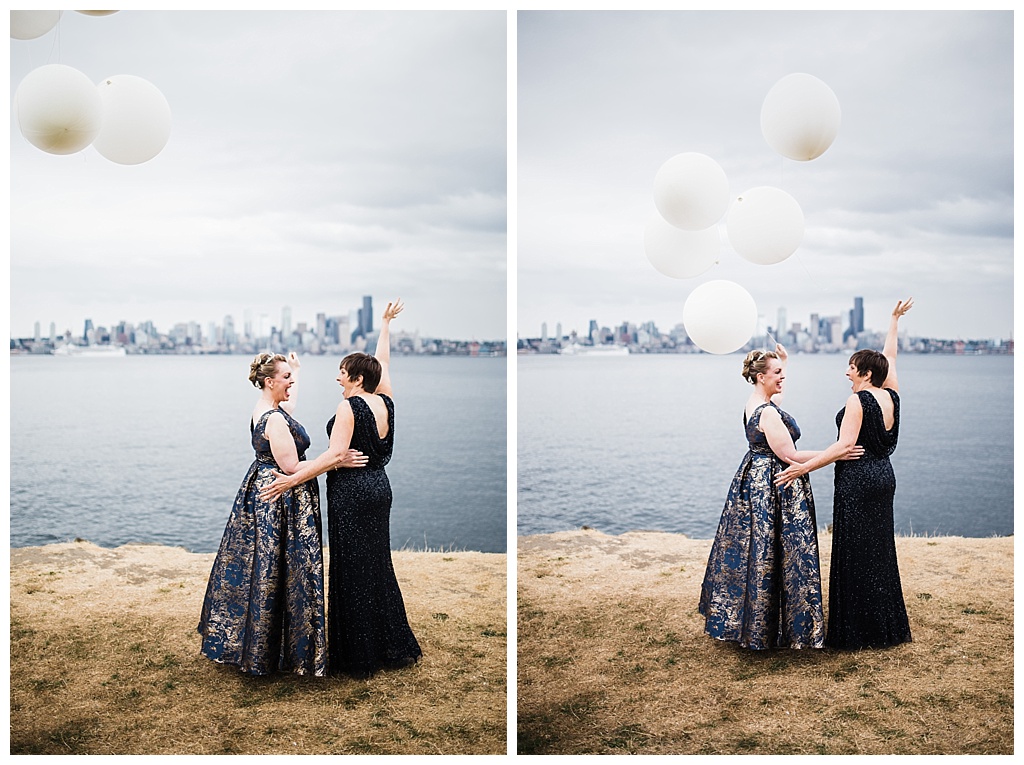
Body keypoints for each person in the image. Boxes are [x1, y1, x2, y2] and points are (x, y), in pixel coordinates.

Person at [260, 300, 422, 677]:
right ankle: (389, 644)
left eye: (343, 372)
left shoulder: (349, 407)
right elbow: (383, 364)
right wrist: (384, 325)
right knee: (378, 565)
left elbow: (334, 456)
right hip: (380, 489)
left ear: (356, 379)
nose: (338, 378)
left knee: (351, 570)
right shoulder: (386, 401)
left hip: (351, 493)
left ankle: (359, 655)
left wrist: (292, 480)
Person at [198, 352, 367, 676]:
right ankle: (278, 654)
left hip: (262, 493)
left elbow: (288, 409)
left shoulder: (266, 411)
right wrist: (336, 459)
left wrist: (297, 374)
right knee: (286, 569)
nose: (290, 382)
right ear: (269, 381)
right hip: (281, 499)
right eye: (285, 377)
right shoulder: (273, 420)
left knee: (266, 569)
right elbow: (291, 467)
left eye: (291, 377)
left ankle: (264, 648)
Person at [699, 344, 862, 650]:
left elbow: (779, 398)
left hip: (754, 479)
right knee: (782, 551)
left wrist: (784, 361)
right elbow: (790, 454)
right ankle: (778, 629)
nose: (782, 378)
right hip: (776, 483)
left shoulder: (757, 402)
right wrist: (839, 452)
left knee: (760, 551)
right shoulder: (768, 414)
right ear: (761, 377)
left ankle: (757, 622)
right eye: (777, 373)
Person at [776, 299, 914, 650]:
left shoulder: (858, 401)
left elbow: (843, 446)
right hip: (884, 477)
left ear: (866, 373)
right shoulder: (891, 396)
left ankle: (857, 631)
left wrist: (802, 467)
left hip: (857, 481)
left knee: (854, 551)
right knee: (879, 551)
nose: (847, 372)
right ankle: (885, 627)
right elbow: (891, 358)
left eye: (852, 367)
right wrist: (893, 321)